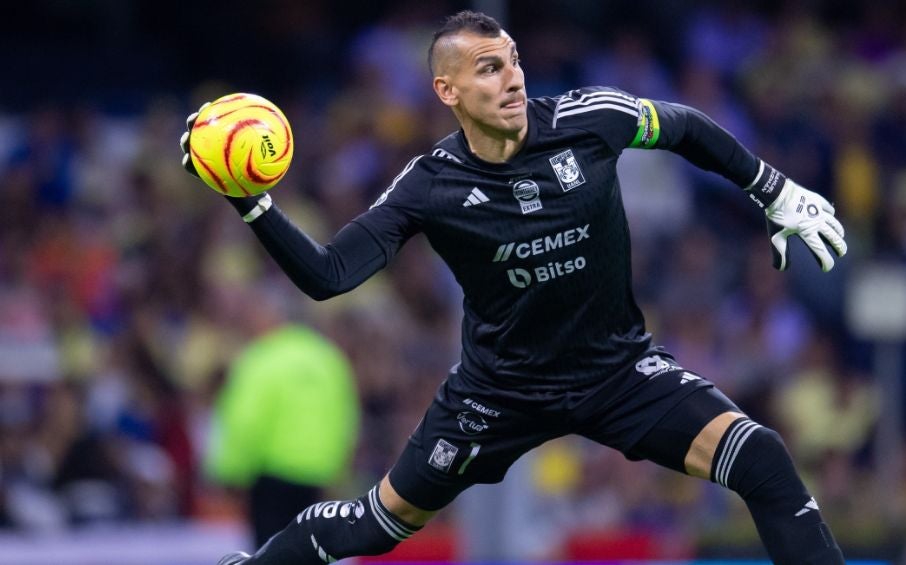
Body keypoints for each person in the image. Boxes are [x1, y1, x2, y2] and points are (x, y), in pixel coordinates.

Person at [181, 11, 848, 565]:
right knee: (377, 524)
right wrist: (253, 205)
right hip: (498, 393)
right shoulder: (430, 184)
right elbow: (328, 277)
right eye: (489, 68)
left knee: (760, 455)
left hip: (617, 370)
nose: (512, 79)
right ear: (448, 90)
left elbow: (684, 126)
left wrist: (774, 189)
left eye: (514, 62)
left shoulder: (589, 120)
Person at [204, 290, 360, 548]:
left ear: (271, 317)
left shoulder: (262, 358)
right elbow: (348, 419)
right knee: (311, 554)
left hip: (271, 479)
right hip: (319, 480)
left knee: (271, 553)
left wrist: (228, 473)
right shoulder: (329, 359)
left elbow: (245, 421)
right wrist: (339, 473)